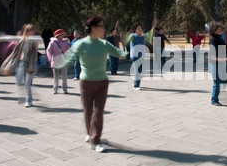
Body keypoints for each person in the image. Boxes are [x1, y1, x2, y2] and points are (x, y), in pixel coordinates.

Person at [58, 15, 127, 152]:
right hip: (86, 82)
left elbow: (119, 53)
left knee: (98, 111)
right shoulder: (82, 44)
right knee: (88, 110)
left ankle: (95, 140)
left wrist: (131, 49)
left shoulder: (104, 44)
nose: (103, 28)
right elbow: (68, 58)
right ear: (94, 28)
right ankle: (90, 133)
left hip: (102, 82)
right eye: (101, 25)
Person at [0, 24, 42, 108]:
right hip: (22, 63)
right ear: (26, 31)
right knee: (19, 82)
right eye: (30, 30)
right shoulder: (21, 39)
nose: (32, 31)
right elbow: (8, 38)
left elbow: (41, 40)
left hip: (31, 64)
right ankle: (27, 97)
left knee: (27, 83)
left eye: (33, 30)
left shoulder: (34, 40)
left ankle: (28, 100)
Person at [126, 21, 157, 90]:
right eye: (138, 28)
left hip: (141, 56)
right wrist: (127, 36)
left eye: (141, 28)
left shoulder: (143, 36)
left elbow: (149, 34)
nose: (140, 29)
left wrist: (153, 27)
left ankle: (135, 82)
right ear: (135, 29)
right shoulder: (132, 36)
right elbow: (127, 40)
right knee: (138, 70)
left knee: (139, 71)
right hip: (134, 56)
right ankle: (136, 86)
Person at [209, 21, 227, 106]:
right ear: (214, 30)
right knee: (216, 81)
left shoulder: (220, 39)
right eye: (218, 28)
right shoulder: (212, 40)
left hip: (221, 63)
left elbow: (225, 49)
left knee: (225, 79)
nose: (220, 29)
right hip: (214, 63)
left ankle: (219, 94)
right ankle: (214, 100)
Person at [46, 29, 71, 94]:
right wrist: (50, 59)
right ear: (58, 35)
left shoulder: (65, 43)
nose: (63, 36)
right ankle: (55, 88)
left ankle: (65, 89)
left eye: (63, 35)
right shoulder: (52, 42)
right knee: (56, 77)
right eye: (62, 35)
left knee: (64, 76)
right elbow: (48, 51)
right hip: (55, 61)